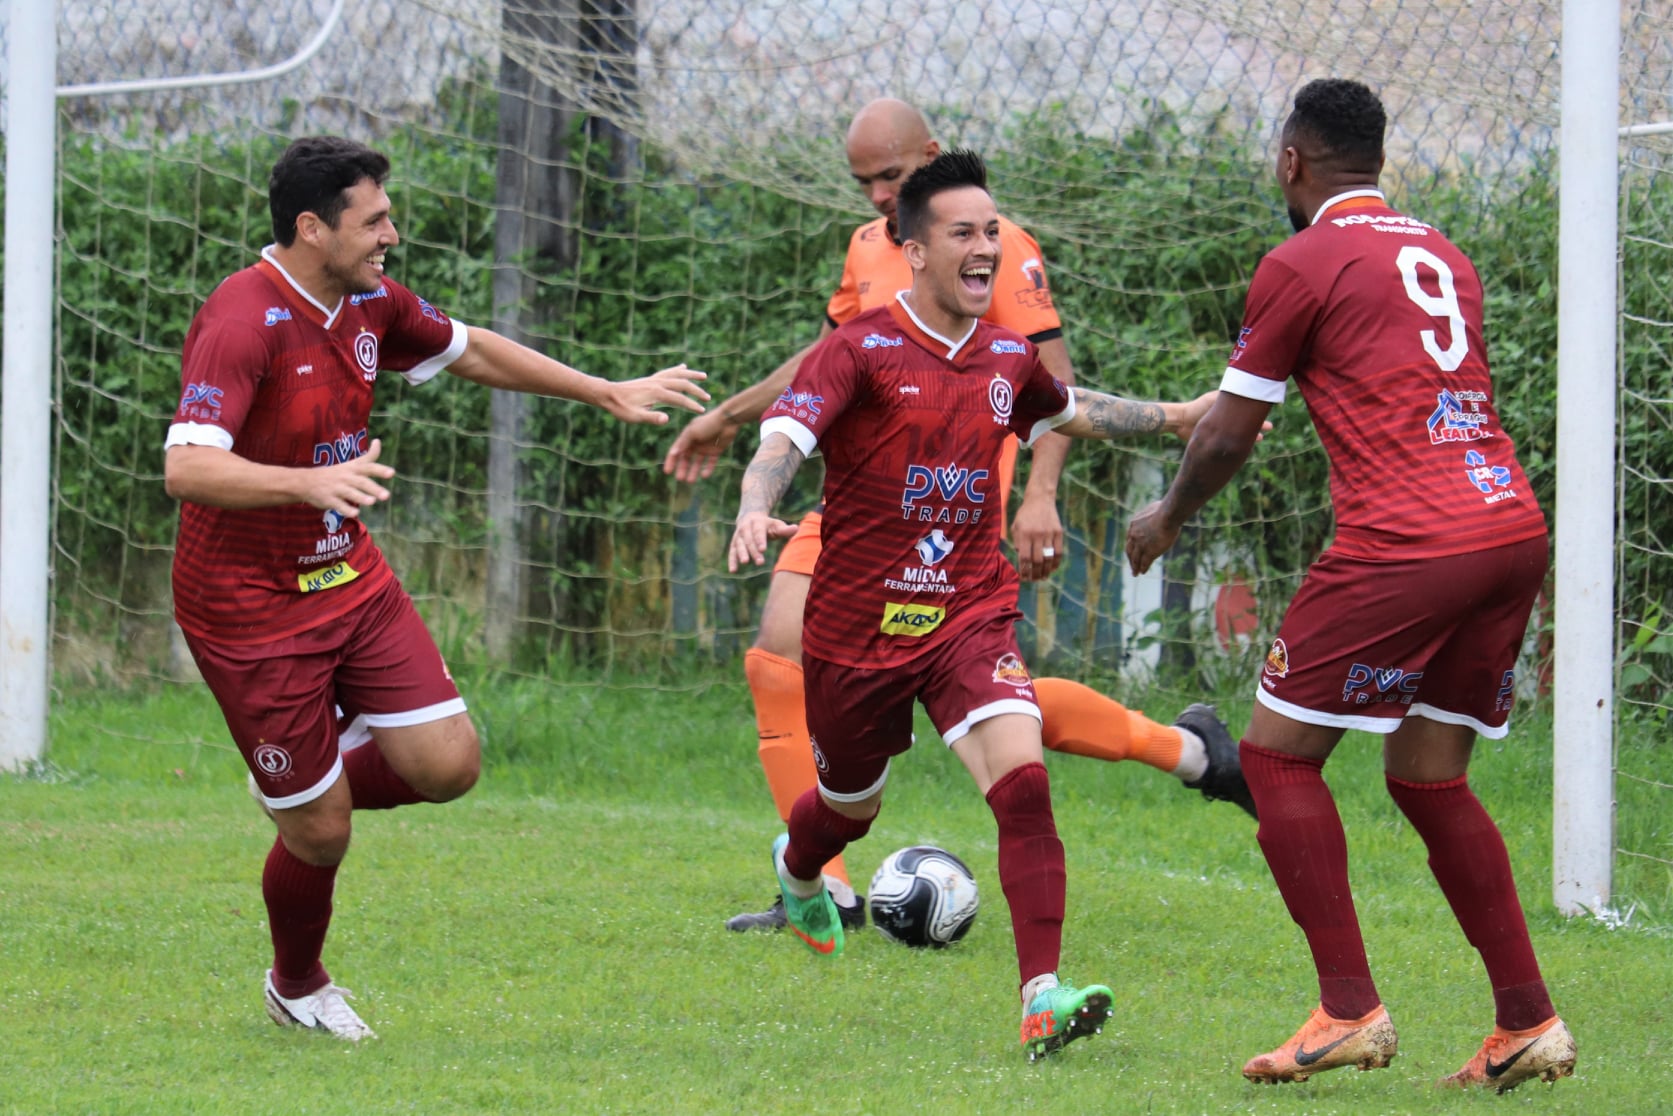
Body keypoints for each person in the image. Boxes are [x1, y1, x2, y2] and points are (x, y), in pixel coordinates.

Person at [163, 136, 708, 1041]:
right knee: (323, 835)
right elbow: (187, 468)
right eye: (373, 220)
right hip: (246, 606)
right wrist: (305, 484)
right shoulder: (240, 317)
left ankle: (304, 784)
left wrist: (602, 389)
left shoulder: (369, 299)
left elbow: (470, 349)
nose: (392, 234)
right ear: (311, 227)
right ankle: (297, 983)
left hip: (346, 575)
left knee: (448, 764)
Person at [666, 98, 1252, 933]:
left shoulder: (995, 251)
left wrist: (1042, 494)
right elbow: (829, 359)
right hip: (861, 502)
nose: (874, 194)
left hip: (949, 510)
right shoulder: (871, 245)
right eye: (863, 182)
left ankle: (1186, 750)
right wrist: (729, 419)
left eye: (889, 177)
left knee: (989, 703)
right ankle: (819, 880)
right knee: (776, 656)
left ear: (930, 161)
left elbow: (1052, 385)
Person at [1124, 78, 1576, 1093]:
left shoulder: (1298, 260)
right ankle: (1524, 1021)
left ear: (1291, 161)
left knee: (1274, 758)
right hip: (1507, 523)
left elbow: (1230, 430)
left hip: (1406, 538)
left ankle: (1345, 1009)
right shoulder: (1441, 255)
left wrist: (1164, 519)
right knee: (1424, 775)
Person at [729, 149, 1218, 1059]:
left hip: (966, 612)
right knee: (846, 811)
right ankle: (798, 869)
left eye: (992, 229)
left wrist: (1178, 416)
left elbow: (1069, 410)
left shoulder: (1002, 353)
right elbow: (784, 438)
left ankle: (1042, 994)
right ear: (912, 250)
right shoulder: (860, 348)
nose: (985, 246)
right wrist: (757, 504)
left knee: (1024, 788)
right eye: (963, 232)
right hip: (857, 629)